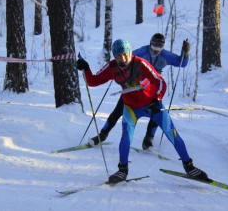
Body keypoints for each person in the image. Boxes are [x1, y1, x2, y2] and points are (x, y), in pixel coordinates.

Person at [77, 39, 208, 184]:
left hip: (152, 105)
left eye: (125, 54)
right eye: (119, 55)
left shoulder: (141, 63)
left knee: (173, 134)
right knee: (126, 136)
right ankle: (122, 170)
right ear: (115, 56)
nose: (123, 58)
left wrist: (157, 99)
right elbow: (93, 82)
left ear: (130, 52)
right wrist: (86, 68)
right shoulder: (112, 67)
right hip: (131, 107)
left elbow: (160, 81)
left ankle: (189, 166)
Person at [89, 33, 190, 150]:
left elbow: (182, 63)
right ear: (150, 43)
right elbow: (124, 58)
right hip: (133, 88)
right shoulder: (142, 52)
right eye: (154, 45)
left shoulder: (165, 55)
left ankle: (148, 139)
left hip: (152, 89)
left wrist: (185, 53)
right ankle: (102, 135)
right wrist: (116, 69)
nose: (157, 49)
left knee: (156, 112)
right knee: (118, 111)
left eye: (160, 46)